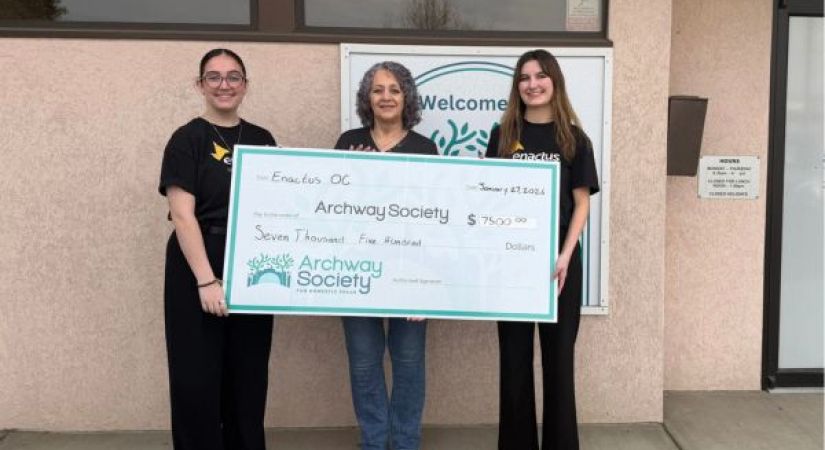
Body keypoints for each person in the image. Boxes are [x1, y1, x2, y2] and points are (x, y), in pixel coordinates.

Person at [158, 48, 277, 450]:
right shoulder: (186, 138)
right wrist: (207, 280)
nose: (224, 85)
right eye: (214, 77)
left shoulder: (262, 139)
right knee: (197, 378)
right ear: (200, 85)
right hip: (197, 263)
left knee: (247, 375)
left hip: (250, 262)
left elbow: (280, 210)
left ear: (245, 85)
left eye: (233, 77)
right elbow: (182, 215)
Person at [485, 49, 600, 450]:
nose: (532, 84)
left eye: (540, 76)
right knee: (514, 363)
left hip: (560, 265)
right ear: (517, 86)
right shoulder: (501, 136)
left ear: (554, 81)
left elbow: (582, 202)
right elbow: (490, 198)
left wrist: (565, 255)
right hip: (513, 266)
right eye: (524, 77)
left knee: (558, 364)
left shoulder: (573, 137)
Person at [334, 61, 438, 450]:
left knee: (409, 363)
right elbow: (330, 208)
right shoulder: (349, 143)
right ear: (367, 98)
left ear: (406, 96)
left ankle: (406, 441)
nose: (386, 97)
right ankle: (375, 442)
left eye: (394, 89)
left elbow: (436, 221)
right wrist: (354, 173)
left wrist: (425, 284)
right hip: (357, 270)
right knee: (364, 363)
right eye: (378, 89)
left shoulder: (425, 149)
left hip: (410, 273)